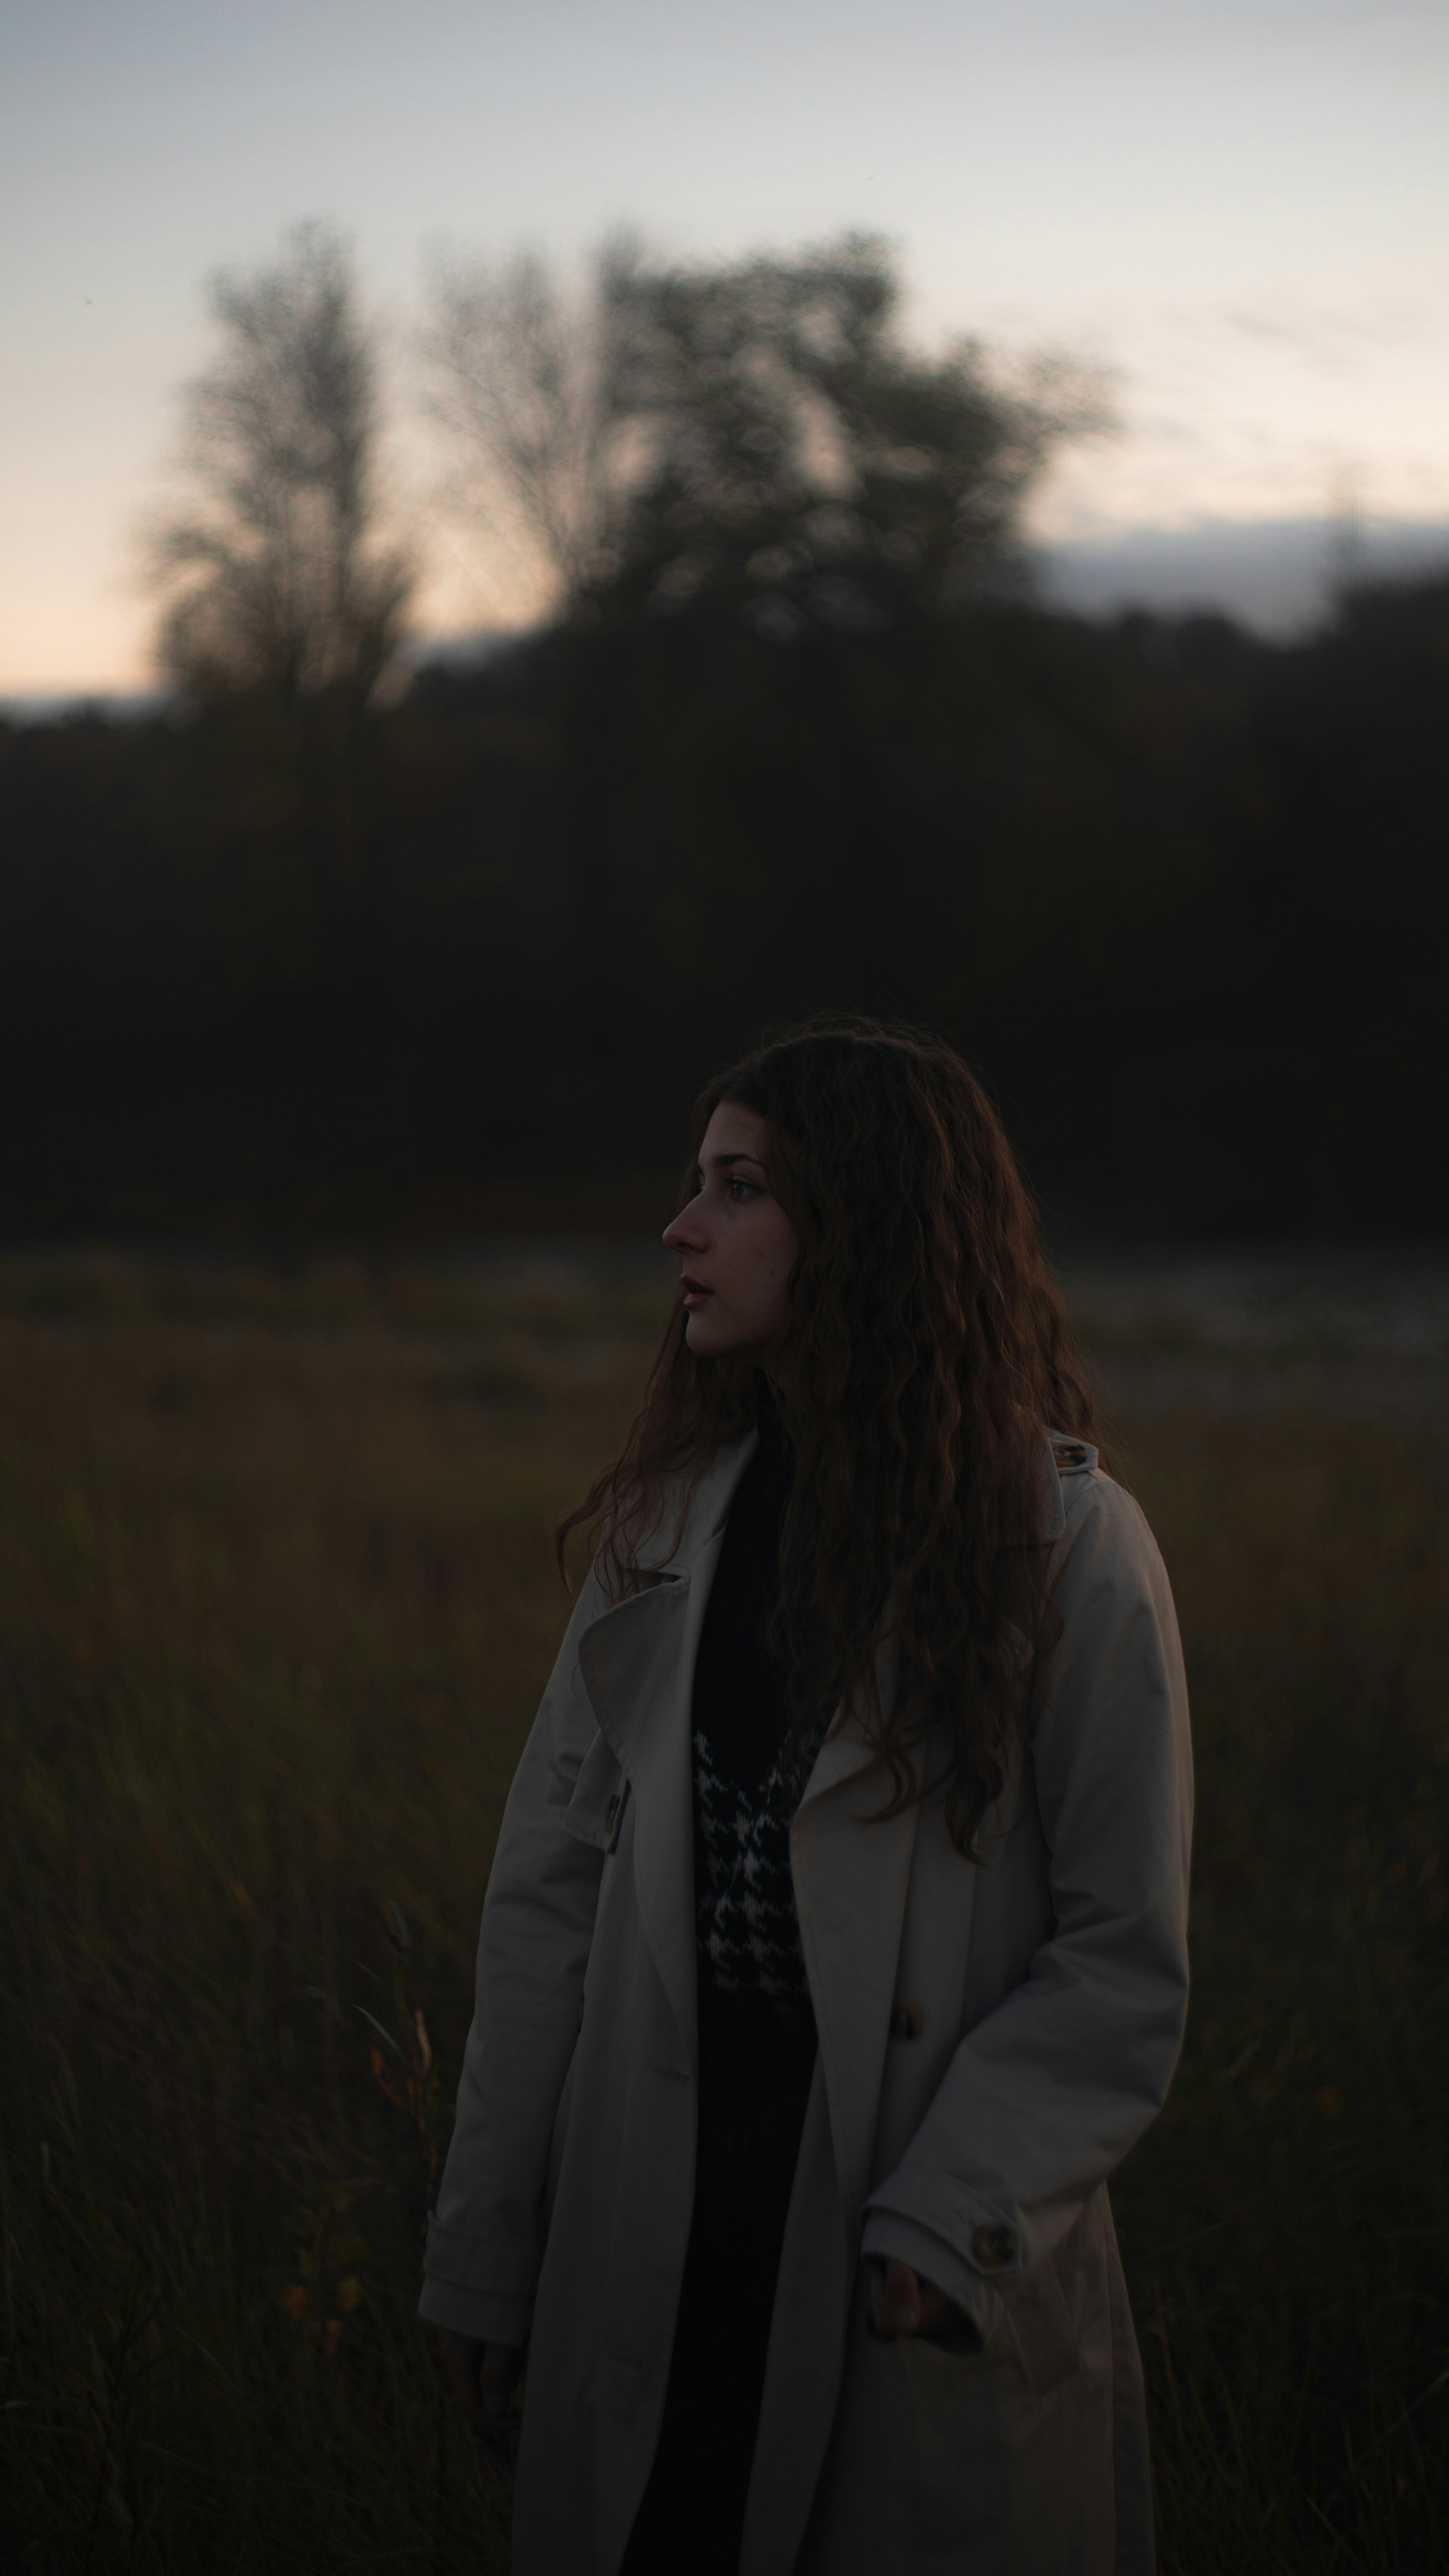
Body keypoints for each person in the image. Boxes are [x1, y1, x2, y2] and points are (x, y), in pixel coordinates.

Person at [421, 1020, 1193, 2576]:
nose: (680, 1228)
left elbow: (1120, 1955)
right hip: (653, 2232)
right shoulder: (665, 1524)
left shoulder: (1071, 1548)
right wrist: (490, 2260)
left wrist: (946, 2217)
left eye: (737, 1188)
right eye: (692, 1184)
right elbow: (545, 1896)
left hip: (898, 2252)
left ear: (864, 1226)